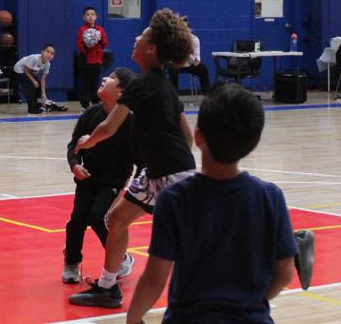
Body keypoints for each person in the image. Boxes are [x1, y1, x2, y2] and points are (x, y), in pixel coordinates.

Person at [126, 83, 298, 324]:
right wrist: (250, 304)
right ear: (256, 139)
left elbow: (155, 278)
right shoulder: (270, 197)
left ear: (198, 136)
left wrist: (133, 318)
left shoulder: (175, 199)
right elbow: (284, 274)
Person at [67, 9, 198, 308]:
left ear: (150, 49)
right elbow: (187, 137)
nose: (136, 38)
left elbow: (108, 127)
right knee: (116, 219)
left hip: (170, 173)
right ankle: (107, 287)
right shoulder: (163, 85)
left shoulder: (142, 84)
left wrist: (87, 143)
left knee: (193, 237)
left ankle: (274, 255)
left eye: (143, 35)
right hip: (156, 171)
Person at [63, 68, 138, 285]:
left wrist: (136, 186)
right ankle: (72, 261)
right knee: (76, 221)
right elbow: (74, 145)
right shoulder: (90, 114)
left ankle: (121, 258)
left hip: (114, 180)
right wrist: (75, 165)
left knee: (98, 216)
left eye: (112, 78)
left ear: (121, 93)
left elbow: (140, 158)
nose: (105, 78)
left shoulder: (130, 122)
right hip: (88, 178)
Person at [76, 6, 109, 110]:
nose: (90, 16)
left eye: (92, 14)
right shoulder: (82, 29)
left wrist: (97, 39)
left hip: (97, 60)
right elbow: (79, 45)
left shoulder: (100, 29)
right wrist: (87, 45)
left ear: (96, 17)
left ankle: (95, 103)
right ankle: (85, 104)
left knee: (95, 82)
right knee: (86, 82)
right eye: (88, 15)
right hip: (86, 60)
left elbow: (105, 43)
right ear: (84, 17)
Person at [168, 16, 211, 95]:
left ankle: (207, 95)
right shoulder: (173, 39)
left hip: (190, 63)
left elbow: (197, 62)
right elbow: (170, 57)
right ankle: (174, 96)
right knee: (171, 68)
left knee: (203, 69)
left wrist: (188, 55)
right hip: (177, 63)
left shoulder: (194, 40)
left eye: (185, 28)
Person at [15, 44, 56, 114]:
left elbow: (43, 79)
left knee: (38, 86)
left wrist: (43, 93)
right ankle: (31, 109)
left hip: (28, 71)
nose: (49, 54)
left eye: (52, 53)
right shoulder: (35, 59)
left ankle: (37, 106)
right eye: (47, 52)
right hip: (19, 69)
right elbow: (25, 69)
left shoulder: (48, 64)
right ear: (42, 52)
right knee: (31, 86)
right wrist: (33, 81)